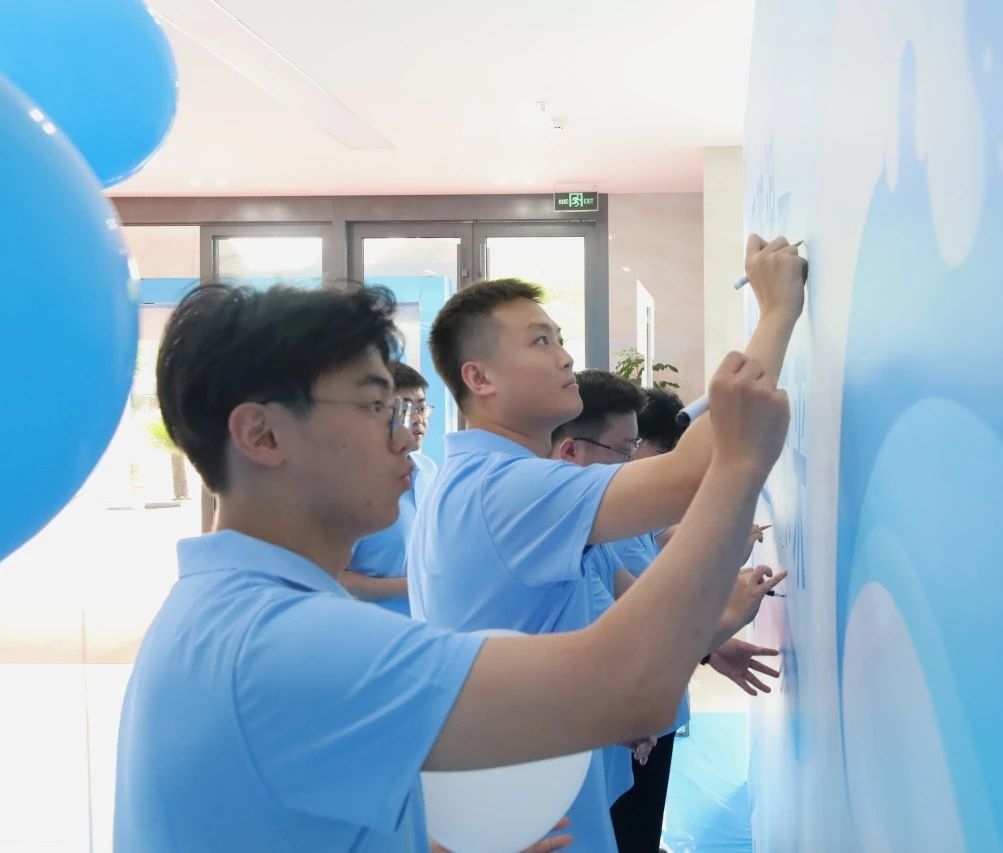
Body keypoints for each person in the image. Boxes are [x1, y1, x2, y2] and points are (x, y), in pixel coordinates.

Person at [113, 282, 791, 852]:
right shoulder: (284, 642)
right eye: (376, 407)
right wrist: (738, 463)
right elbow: (630, 688)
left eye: (401, 409)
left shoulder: (224, 610)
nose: (403, 436)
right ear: (262, 434)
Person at [410, 234, 806, 851]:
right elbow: (695, 471)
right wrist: (776, 312)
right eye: (541, 342)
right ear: (478, 377)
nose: (565, 357)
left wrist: (704, 638)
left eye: (559, 338)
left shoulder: (493, 481)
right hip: (529, 808)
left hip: (539, 788)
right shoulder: (504, 489)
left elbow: (624, 610)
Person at [549, 370, 787, 839]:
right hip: (589, 747)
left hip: (628, 727)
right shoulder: (555, 530)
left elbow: (644, 608)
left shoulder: (593, 534)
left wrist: (713, 642)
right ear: (570, 450)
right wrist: (722, 614)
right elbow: (637, 641)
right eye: (625, 450)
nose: (634, 465)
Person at [340, 360, 436, 614]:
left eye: (422, 408)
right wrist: (411, 587)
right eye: (406, 408)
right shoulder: (353, 485)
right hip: (372, 628)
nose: (418, 420)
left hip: (427, 623)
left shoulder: (429, 470)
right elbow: (332, 578)